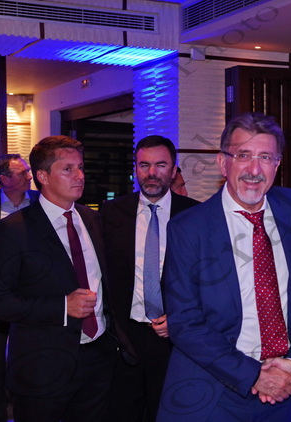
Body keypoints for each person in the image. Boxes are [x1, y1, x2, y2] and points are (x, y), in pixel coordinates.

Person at [157, 112, 291, 422]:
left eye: (265, 157)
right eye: (243, 155)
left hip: (284, 387)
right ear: (223, 163)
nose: (254, 170)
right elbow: (185, 322)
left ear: (277, 165)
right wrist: (253, 375)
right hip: (212, 392)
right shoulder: (188, 228)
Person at [0, 136, 124, 422]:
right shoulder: (13, 229)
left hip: (98, 360)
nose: (80, 176)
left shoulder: (93, 219)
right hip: (41, 366)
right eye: (68, 169)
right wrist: (62, 306)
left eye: (81, 167)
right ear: (43, 176)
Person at [100, 136, 199, 422]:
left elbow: (206, 281)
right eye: (144, 165)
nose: (152, 173)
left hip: (175, 338)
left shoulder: (195, 213)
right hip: (124, 337)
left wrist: (179, 319)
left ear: (174, 170)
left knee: (169, 413)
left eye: (160, 165)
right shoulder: (111, 212)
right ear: (135, 169)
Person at [0, 154, 39, 422]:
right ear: (4, 179)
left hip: (32, 295)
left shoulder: (40, 202)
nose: (30, 176)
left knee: (29, 358)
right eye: (23, 172)